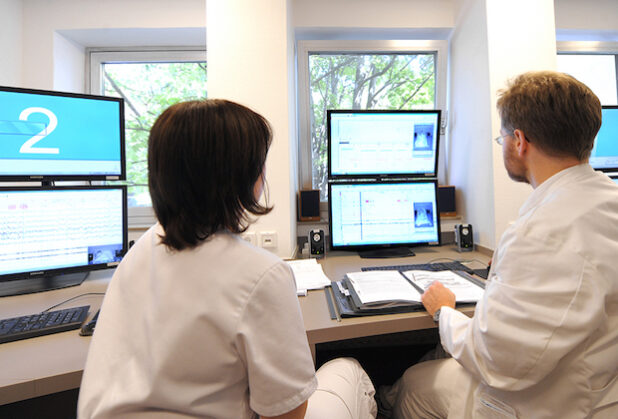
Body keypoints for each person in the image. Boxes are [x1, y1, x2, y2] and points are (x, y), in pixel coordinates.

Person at [77, 99, 376, 419]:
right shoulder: (262, 274)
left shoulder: (140, 250)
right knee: (350, 371)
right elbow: (288, 413)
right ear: (243, 177)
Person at [380, 71, 618, 418]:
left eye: (502, 137)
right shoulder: (605, 200)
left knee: (414, 384)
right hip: (597, 393)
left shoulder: (540, 230)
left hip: (536, 404)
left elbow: (491, 358)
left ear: (519, 141)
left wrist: (443, 310)